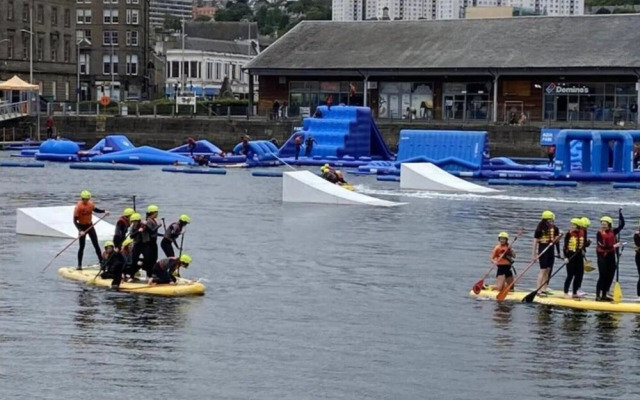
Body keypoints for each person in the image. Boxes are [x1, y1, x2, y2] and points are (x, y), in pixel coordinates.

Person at [73, 190, 109, 270]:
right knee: (82, 247)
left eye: (87, 199)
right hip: (82, 227)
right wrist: (80, 230)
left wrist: (104, 211)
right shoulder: (78, 207)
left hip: (90, 226)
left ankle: (102, 263)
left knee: (96, 245)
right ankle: (79, 265)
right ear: (82, 198)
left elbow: (95, 210)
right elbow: (75, 221)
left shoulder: (90, 204)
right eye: (85, 199)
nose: (86, 200)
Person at [596, 209, 625, 301]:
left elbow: (622, 225)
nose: (603, 226)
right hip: (602, 256)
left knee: (610, 275)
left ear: (609, 224)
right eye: (602, 224)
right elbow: (602, 245)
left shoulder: (613, 231)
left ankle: (604, 294)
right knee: (603, 275)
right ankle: (598, 295)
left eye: (605, 224)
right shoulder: (599, 233)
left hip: (611, 256)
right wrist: (614, 245)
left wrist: (620, 214)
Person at [533, 210, 561, 295]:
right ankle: (538, 289)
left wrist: (559, 237)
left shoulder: (555, 228)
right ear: (545, 220)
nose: (551, 222)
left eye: (552, 220)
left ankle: (544, 288)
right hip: (543, 248)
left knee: (548, 269)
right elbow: (535, 241)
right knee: (543, 269)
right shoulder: (540, 228)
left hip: (550, 249)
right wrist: (534, 255)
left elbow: (556, 241)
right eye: (549, 220)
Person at [563, 218, 586, 299]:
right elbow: (565, 247)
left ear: (578, 226)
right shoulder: (568, 234)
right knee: (570, 275)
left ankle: (575, 292)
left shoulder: (583, 232)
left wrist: (584, 249)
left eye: (574, 225)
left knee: (579, 275)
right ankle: (565, 292)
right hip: (570, 256)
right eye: (572, 225)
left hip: (579, 257)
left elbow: (583, 244)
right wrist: (565, 257)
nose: (572, 226)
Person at [139, 205, 160, 277]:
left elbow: (155, 232)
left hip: (153, 242)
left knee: (154, 258)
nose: (157, 214)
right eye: (156, 212)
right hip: (149, 242)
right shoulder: (148, 221)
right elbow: (151, 231)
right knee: (150, 259)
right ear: (153, 213)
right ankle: (149, 274)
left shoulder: (153, 221)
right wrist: (158, 226)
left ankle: (152, 272)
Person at [124, 213, 144, 280]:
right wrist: (138, 231)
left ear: (138, 221)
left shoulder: (143, 225)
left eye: (135, 221)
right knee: (134, 260)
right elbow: (131, 236)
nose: (133, 223)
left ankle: (150, 275)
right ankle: (131, 275)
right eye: (132, 221)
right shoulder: (133, 227)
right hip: (137, 245)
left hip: (144, 245)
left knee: (146, 260)